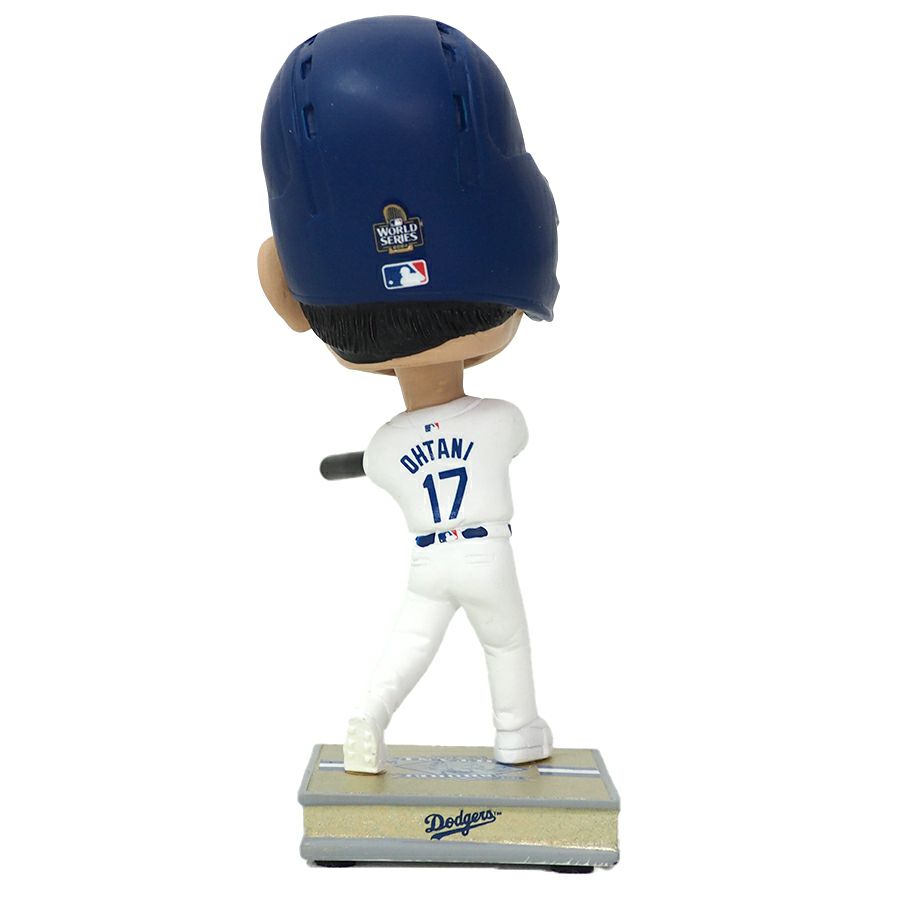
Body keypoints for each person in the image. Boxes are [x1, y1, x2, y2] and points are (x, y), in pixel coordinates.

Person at [259, 15, 560, 774]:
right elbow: (505, 435)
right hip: (485, 553)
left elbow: (388, 461)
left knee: (409, 641)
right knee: (506, 645)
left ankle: (367, 718)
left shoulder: (388, 448)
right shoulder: (500, 421)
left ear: (286, 290)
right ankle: (518, 734)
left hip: (429, 560)